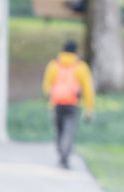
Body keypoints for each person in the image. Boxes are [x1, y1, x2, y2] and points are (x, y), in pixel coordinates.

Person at [42, 40, 96, 169]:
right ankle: (65, 156)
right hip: (72, 104)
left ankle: (61, 154)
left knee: (59, 131)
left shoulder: (53, 65)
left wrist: (50, 96)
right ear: (76, 52)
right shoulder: (80, 67)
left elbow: (46, 86)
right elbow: (88, 89)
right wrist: (89, 108)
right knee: (69, 131)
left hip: (56, 103)